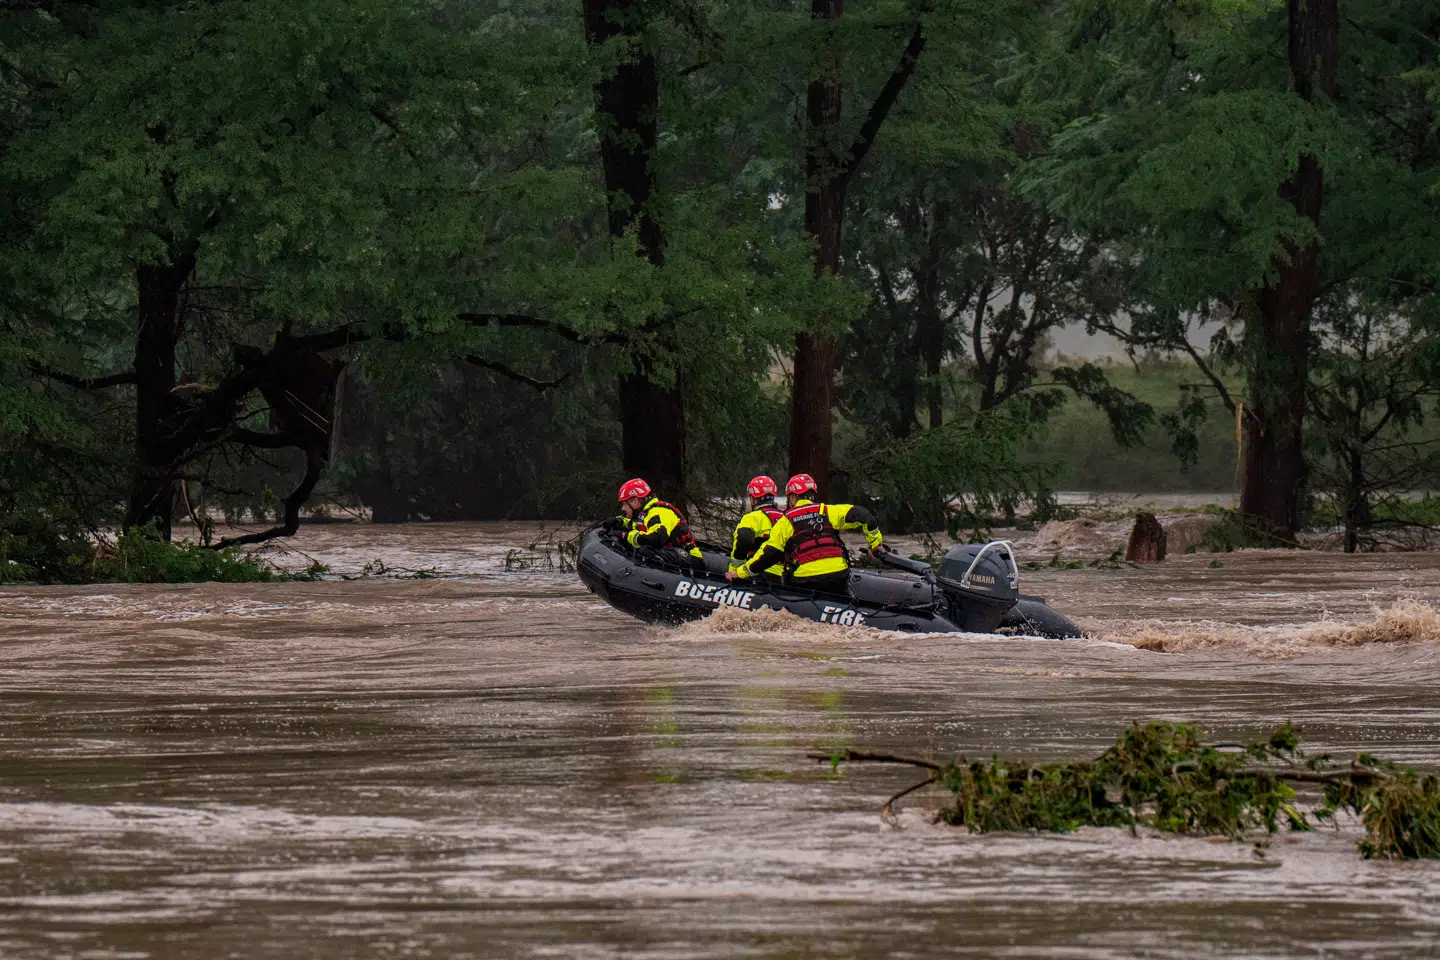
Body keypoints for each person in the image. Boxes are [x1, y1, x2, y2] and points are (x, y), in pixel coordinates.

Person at [726, 473, 887, 595]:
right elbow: (864, 515)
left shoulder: (787, 520)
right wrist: (875, 544)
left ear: (794, 497)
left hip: (805, 580)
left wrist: (739, 572)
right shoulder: (828, 511)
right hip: (838, 576)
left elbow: (769, 554)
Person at [606, 477, 703, 566]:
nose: (623, 508)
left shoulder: (658, 512)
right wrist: (620, 521)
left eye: (624, 504)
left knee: (646, 549)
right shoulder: (646, 513)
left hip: (692, 560)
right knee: (640, 547)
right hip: (674, 552)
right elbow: (638, 525)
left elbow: (657, 537)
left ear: (635, 501)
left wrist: (625, 535)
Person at [730, 475, 785, 582]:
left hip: (758, 573)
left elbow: (743, 540)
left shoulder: (752, 517)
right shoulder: (785, 517)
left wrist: (735, 571)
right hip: (782, 576)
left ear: (754, 499)